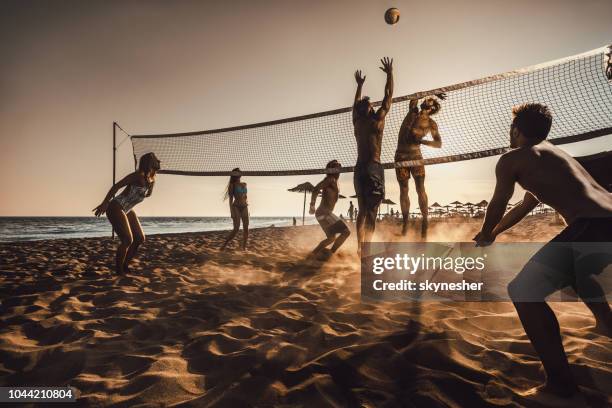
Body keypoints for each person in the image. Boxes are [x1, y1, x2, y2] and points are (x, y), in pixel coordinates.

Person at [474, 103, 612, 398]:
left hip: (592, 227)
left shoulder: (512, 159)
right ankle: (607, 324)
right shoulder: (555, 156)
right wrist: (493, 234)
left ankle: (561, 386)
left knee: (523, 291)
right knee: (576, 270)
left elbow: (499, 203)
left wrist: (485, 232)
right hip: (605, 224)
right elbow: (522, 207)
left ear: (515, 130)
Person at [93, 152, 161, 274]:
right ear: (149, 163)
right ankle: (119, 271)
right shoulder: (137, 175)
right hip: (116, 206)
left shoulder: (151, 180)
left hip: (128, 209)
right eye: (156, 160)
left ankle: (124, 266)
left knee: (140, 238)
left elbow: (146, 193)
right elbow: (116, 186)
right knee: (127, 240)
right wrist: (105, 203)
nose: (159, 161)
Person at [353, 57, 394, 254]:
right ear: (369, 108)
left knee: (362, 210)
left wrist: (359, 86)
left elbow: (355, 104)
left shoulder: (357, 121)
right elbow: (388, 96)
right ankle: (366, 248)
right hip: (373, 168)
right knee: (371, 212)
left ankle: (360, 245)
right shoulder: (377, 119)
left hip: (359, 168)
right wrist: (390, 74)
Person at [395, 94, 445, 237]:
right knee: (404, 190)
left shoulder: (431, 123)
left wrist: (422, 142)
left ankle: (425, 222)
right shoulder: (413, 111)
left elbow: (438, 144)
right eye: (426, 99)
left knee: (420, 189)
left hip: (416, 157)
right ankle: (405, 223)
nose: (425, 100)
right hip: (400, 156)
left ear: (432, 108)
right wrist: (434, 92)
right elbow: (415, 98)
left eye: (429, 101)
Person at [309, 160, 351, 255]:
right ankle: (331, 253)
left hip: (322, 213)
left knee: (331, 238)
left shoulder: (335, 181)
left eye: (339, 167)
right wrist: (312, 205)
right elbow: (316, 189)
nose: (339, 169)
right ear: (331, 169)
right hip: (324, 213)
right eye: (336, 167)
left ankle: (313, 254)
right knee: (346, 232)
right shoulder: (330, 179)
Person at [221, 168, 249, 251]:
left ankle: (244, 248)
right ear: (234, 175)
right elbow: (230, 200)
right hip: (236, 206)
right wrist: (231, 212)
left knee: (246, 228)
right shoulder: (232, 185)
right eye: (236, 173)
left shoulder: (244, 184)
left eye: (239, 172)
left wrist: (246, 203)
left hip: (245, 206)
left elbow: (245, 196)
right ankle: (224, 245)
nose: (239, 174)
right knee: (236, 228)